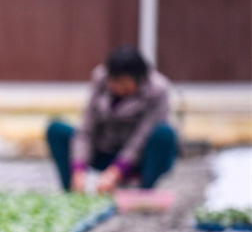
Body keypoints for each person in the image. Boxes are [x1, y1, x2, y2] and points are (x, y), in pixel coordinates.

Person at [47, 47, 178, 194]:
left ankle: (144, 190)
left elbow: (141, 138)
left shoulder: (158, 90)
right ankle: (74, 189)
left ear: (139, 79)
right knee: (56, 129)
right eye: (113, 81)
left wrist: (116, 172)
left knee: (164, 133)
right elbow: (86, 130)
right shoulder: (101, 79)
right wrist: (78, 169)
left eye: (123, 82)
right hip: (105, 151)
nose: (116, 86)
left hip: (139, 160)